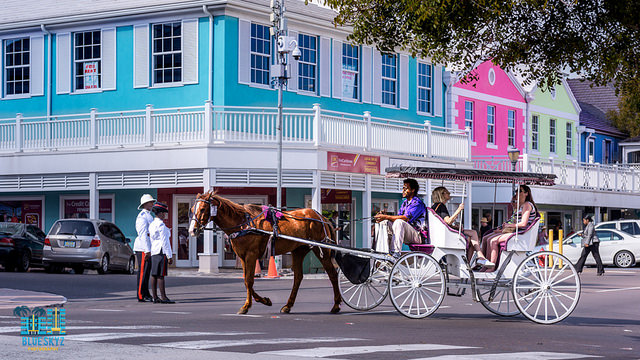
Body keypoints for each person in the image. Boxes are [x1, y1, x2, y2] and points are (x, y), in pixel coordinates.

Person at [431, 186, 493, 268]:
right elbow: (448, 221)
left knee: (472, 241)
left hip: (443, 233)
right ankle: (480, 256)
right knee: (473, 233)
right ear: (442, 194)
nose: (449, 194)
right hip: (447, 235)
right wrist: (459, 209)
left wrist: (455, 226)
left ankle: (469, 264)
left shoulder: (435, 207)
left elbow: (445, 223)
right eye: (447, 192)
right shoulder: (441, 206)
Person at [483, 185, 538, 268]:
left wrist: (508, 225)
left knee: (493, 241)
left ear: (526, 193)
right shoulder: (521, 207)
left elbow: (523, 224)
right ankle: (484, 262)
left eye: (520, 191)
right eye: (516, 191)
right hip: (516, 232)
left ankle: (491, 267)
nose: (517, 193)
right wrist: (503, 229)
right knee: (485, 238)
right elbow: (516, 223)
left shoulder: (527, 205)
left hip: (521, 234)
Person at [374, 178, 426, 256]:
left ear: (413, 190)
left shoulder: (417, 203)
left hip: (418, 236)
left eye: (406, 189)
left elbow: (405, 218)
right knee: (386, 222)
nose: (403, 191)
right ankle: (385, 250)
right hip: (407, 233)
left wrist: (385, 216)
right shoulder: (405, 203)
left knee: (399, 222)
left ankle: (395, 252)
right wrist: (384, 217)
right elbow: (398, 217)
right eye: (403, 188)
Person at [149, 202, 175, 303]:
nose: (165, 215)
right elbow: (165, 242)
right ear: (159, 213)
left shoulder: (152, 224)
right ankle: (163, 297)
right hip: (161, 251)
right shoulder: (161, 225)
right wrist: (169, 256)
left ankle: (155, 297)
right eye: (164, 213)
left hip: (154, 250)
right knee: (161, 275)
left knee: (154, 274)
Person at [134, 194, 155, 303]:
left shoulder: (149, 215)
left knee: (146, 272)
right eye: (150, 202)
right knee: (142, 272)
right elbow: (143, 234)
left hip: (148, 247)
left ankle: (146, 293)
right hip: (143, 247)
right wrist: (147, 250)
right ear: (145, 204)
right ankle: (141, 295)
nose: (152, 203)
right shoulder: (142, 216)